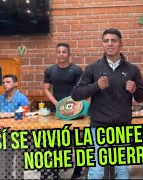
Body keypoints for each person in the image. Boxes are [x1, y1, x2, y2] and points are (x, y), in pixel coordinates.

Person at [71, 28, 143, 179]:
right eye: (106, 41)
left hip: (122, 127)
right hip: (99, 126)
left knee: (123, 170)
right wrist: (96, 86)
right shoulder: (93, 68)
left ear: (121, 44)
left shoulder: (132, 69)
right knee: (96, 171)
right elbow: (76, 94)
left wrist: (135, 89)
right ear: (102, 44)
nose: (110, 44)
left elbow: (141, 97)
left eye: (114, 40)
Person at [43, 43, 83, 179]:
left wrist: (72, 106)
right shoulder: (50, 70)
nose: (61, 54)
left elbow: (81, 90)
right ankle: (59, 167)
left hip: (75, 112)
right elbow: (46, 89)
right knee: (59, 140)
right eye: (59, 52)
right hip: (57, 111)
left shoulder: (77, 70)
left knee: (77, 142)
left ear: (69, 54)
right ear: (56, 54)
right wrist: (57, 104)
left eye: (64, 52)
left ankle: (78, 169)